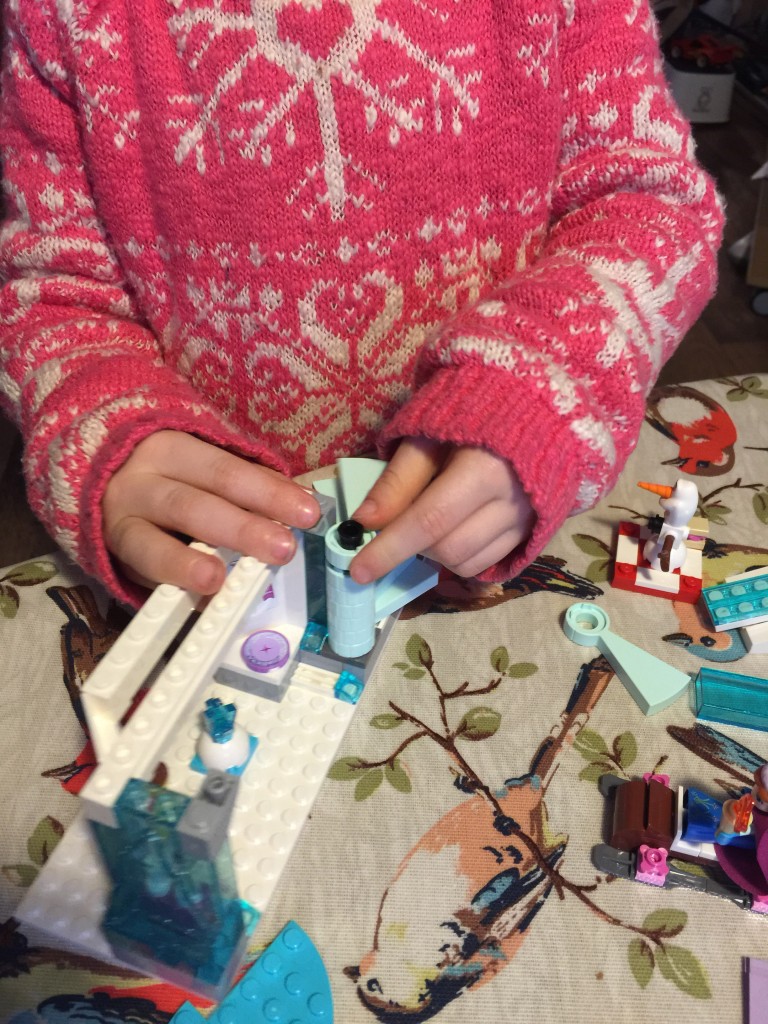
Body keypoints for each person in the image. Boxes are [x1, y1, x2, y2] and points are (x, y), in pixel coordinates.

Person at [0, 0, 723, 607]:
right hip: (221, 577)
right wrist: (107, 424)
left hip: (496, 541)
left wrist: (541, 388)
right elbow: (50, 290)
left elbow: (651, 204)